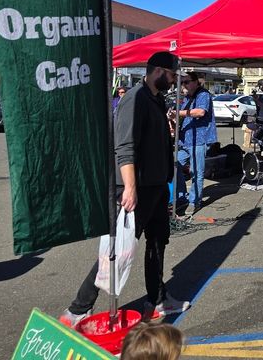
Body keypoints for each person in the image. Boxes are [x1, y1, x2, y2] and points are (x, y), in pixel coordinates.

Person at [60, 52, 190, 327]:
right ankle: (78, 309)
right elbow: (125, 147)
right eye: (171, 75)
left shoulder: (156, 100)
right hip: (137, 189)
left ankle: (156, 300)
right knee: (118, 249)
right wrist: (129, 187)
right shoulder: (135, 99)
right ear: (158, 71)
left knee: (157, 243)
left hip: (156, 187)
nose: (174, 81)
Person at [173, 71, 217, 215]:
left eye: (186, 82)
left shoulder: (203, 94)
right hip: (185, 140)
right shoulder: (187, 98)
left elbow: (200, 112)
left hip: (199, 139)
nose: (183, 85)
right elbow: (184, 117)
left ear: (195, 82)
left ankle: (194, 201)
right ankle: (181, 196)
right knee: (174, 165)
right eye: (182, 83)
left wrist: (178, 113)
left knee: (196, 171)